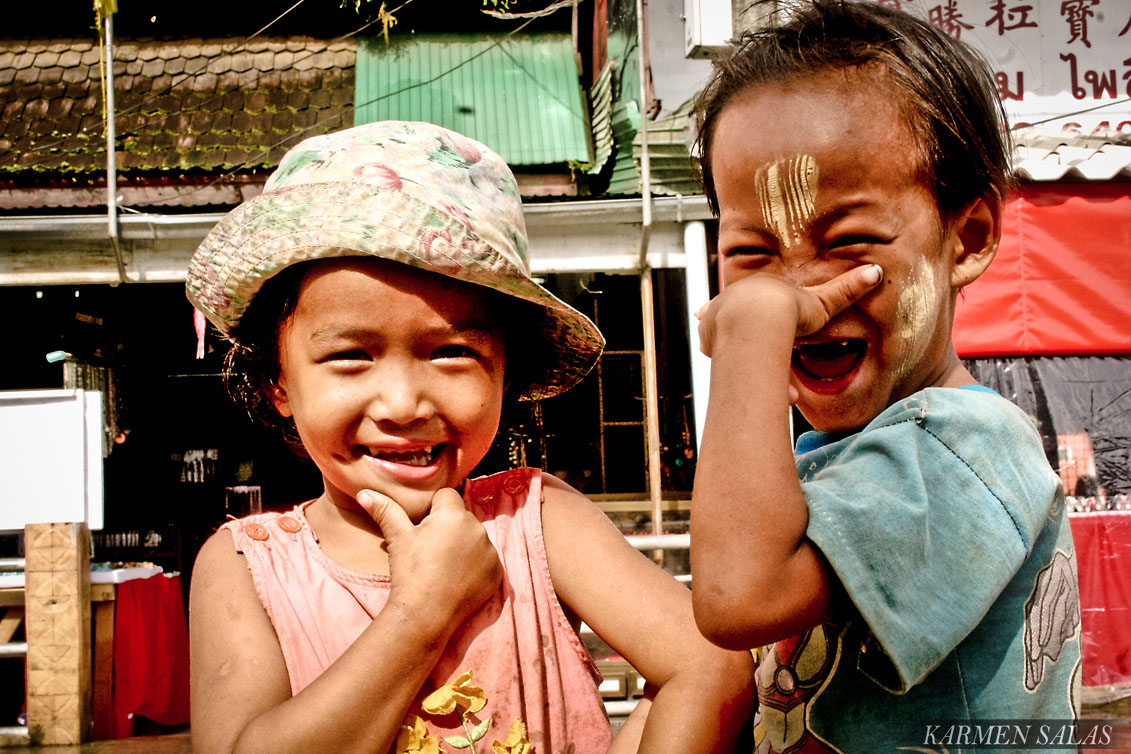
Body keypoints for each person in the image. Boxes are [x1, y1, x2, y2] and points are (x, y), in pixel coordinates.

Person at [186, 121, 754, 754]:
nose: (403, 405)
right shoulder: (243, 566)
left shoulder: (537, 521)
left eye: (452, 352)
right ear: (278, 383)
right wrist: (423, 612)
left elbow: (711, 665)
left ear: (508, 373)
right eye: (350, 356)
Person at [688, 2, 1080, 751]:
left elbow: (737, 598)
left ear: (967, 238)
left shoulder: (962, 448)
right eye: (752, 254)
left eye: (849, 241)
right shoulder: (835, 453)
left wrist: (749, 332)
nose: (798, 293)